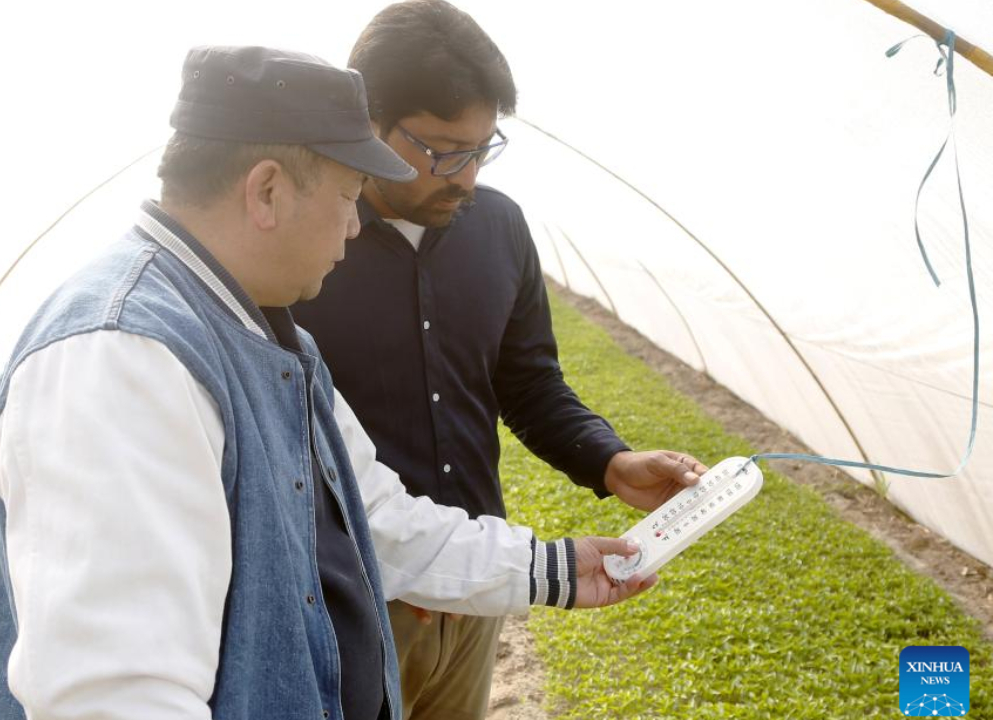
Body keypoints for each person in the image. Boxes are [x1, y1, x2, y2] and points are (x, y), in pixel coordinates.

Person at [0, 45, 658, 720]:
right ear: (267, 191)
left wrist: (559, 569)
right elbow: (117, 696)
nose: (357, 226)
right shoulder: (119, 359)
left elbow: (380, 518)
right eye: (349, 195)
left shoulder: (268, 334)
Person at [291, 4, 710, 719]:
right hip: (353, 600)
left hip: (480, 583)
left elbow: (526, 380)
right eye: (444, 151)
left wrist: (611, 462)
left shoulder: (499, 227)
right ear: (369, 120)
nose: (469, 177)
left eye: (484, 148)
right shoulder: (302, 250)